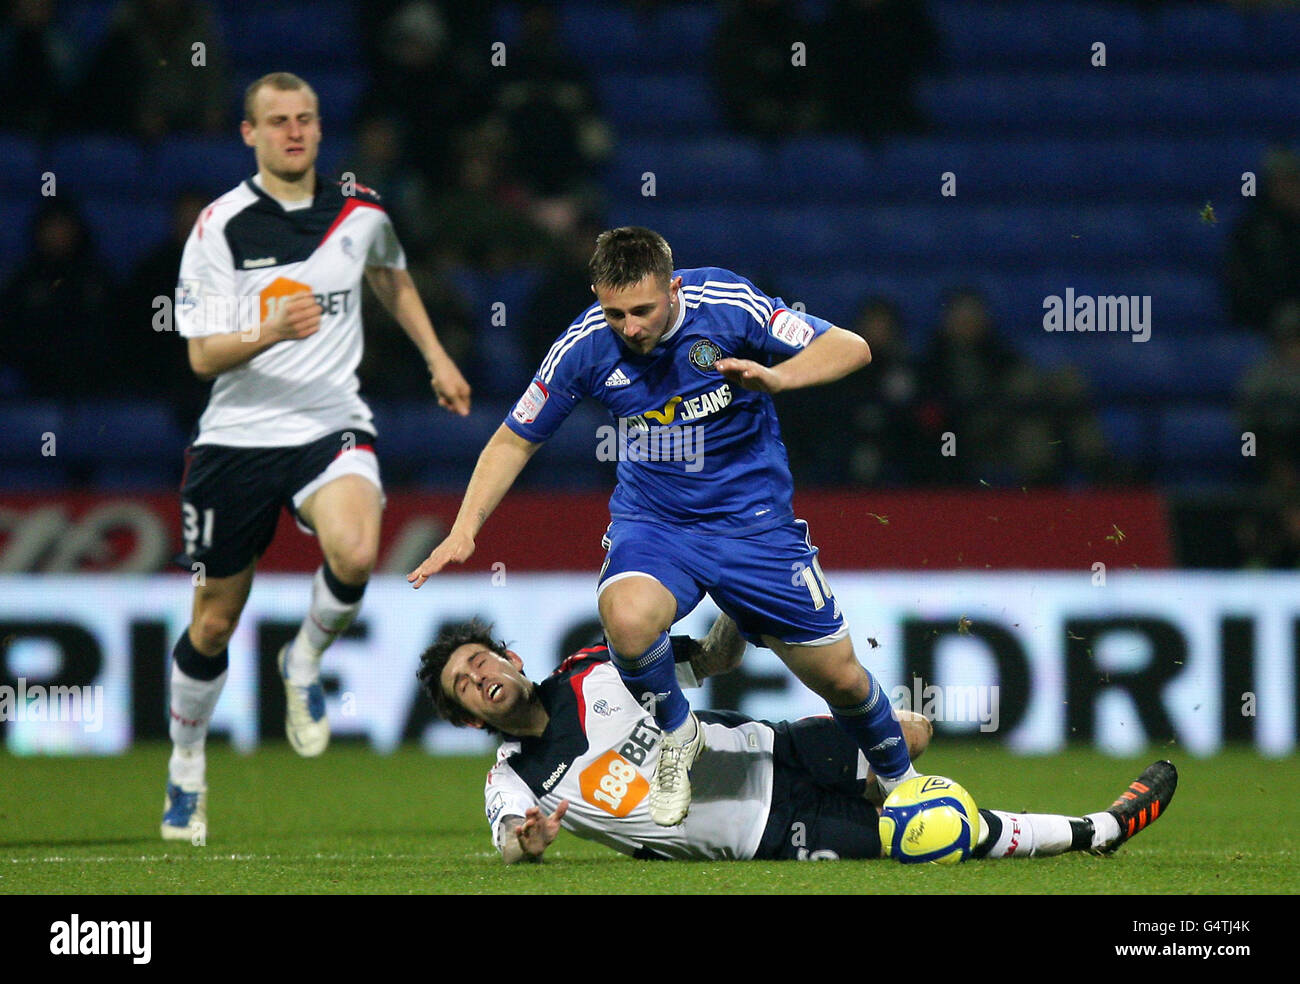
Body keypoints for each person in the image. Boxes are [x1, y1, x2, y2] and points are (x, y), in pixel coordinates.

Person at [409, 226, 918, 827]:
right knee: (625, 619)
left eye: (643, 311)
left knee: (840, 679)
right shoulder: (584, 345)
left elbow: (852, 347)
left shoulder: (728, 306)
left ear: (673, 288)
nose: (629, 327)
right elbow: (515, 438)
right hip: (657, 523)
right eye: (614, 312)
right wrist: (467, 529)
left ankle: (904, 783)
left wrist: (781, 377)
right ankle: (679, 734)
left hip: (752, 523)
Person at [162, 71, 472, 841]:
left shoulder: (361, 208)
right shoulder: (220, 227)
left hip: (331, 424)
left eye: (305, 119)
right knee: (212, 624)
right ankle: (186, 765)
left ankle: (302, 661)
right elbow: (201, 355)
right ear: (249, 134)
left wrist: (436, 355)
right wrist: (270, 328)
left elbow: (390, 274)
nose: (293, 132)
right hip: (236, 440)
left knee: (358, 550)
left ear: (319, 128)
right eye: (276, 121)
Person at [417, 619, 1178, 864]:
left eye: (481, 660)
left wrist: (732, 621)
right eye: (463, 682)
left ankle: (906, 784)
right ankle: (1097, 831)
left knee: (911, 731)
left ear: (511, 659)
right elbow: (510, 844)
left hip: (772, 749)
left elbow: (711, 663)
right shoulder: (513, 780)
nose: (479, 675)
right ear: (466, 715)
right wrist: (531, 840)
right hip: (764, 832)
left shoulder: (593, 661)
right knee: (926, 840)